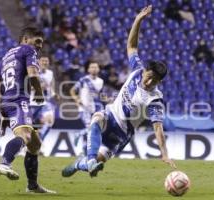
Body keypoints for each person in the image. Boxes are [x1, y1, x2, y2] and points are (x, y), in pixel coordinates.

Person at [62, 5, 176, 178]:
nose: (150, 81)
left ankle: (82, 163)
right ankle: (90, 160)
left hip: (121, 133)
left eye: (156, 81)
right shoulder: (137, 70)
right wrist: (138, 20)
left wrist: (164, 153)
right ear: (146, 70)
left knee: (95, 164)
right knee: (97, 118)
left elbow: (158, 128)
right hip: (110, 116)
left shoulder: (154, 100)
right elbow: (131, 46)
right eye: (150, 76)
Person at [0, 27, 56, 193]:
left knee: (35, 144)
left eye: (41, 42)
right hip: (19, 100)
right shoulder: (28, 50)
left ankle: (32, 186)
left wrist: (1, 110)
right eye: (37, 41)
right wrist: (40, 95)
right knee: (26, 136)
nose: (40, 46)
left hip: (7, 102)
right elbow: (33, 75)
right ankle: (4, 163)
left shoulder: (4, 58)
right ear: (26, 39)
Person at [70, 62, 105, 155]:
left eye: (95, 67)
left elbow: (101, 95)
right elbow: (72, 90)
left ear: (98, 69)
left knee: (93, 131)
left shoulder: (101, 81)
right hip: (83, 108)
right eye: (92, 67)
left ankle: (84, 151)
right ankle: (79, 134)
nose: (94, 69)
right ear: (88, 70)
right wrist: (77, 99)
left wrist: (108, 99)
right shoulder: (83, 80)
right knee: (91, 128)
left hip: (95, 109)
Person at [30, 55, 57, 142]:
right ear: (38, 62)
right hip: (33, 103)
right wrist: (39, 87)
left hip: (45, 102)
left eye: (46, 61)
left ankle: (40, 141)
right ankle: (27, 146)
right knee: (31, 126)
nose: (45, 63)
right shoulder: (33, 72)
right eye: (43, 61)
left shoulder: (50, 73)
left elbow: (51, 88)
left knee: (50, 121)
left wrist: (54, 94)